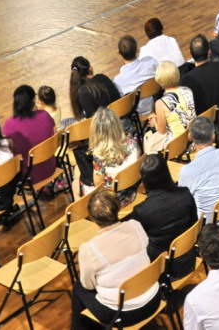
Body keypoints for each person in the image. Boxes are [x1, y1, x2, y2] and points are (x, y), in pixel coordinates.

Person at [72, 189, 160, 330]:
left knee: (79, 288)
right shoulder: (135, 225)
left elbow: (88, 286)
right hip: (154, 299)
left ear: (92, 218)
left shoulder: (88, 249)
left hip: (123, 314)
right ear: (118, 208)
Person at [127, 154, 198, 269]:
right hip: (188, 257)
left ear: (144, 179)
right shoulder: (185, 193)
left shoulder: (141, 211)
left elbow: (137, 244)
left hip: (160, 266)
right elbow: (194, 222)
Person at [2, 85, 57, 185]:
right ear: (33, 101)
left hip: (28, 177)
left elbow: (7, 153)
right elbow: (55, 136)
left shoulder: (9, 125)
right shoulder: (45, 115)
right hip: (50, 168)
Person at [87, 106, 141, 206]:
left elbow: (99, 187)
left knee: (82, 185)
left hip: (116, 201)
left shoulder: (99, 157)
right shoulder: (133, 142)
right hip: (137, 189)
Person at [144, 61, 196, 153]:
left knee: (148, 140)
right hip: (193, 138)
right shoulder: (188, 90)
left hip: (176, 146)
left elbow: (162, 131)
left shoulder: (161, 103)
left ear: (159, 80)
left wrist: (154, 123)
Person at [112, 35, 158, 114]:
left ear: (119, 53)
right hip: (157, 105)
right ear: (137, 50)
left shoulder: (118, 81)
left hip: (138, 115)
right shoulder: (151, 62)